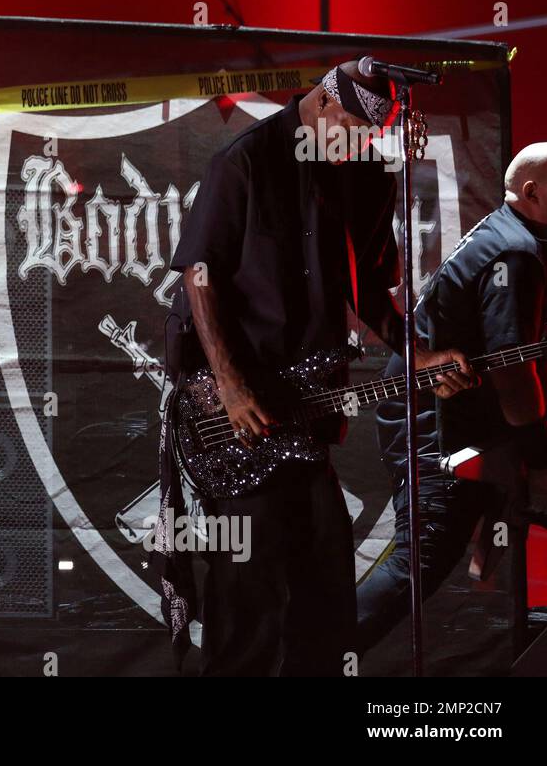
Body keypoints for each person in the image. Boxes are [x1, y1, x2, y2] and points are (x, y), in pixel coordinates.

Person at [158, 58, 475, 675]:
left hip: (303, 412)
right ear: (325, 104)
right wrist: (231, 385)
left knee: (327, 585)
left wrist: (419, 352)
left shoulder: (356, 172)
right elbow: (200, 276)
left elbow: (371, 286)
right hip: (235, 399)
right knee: (247, 594)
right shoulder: (245, 161)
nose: (358, 146)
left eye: (368, 138)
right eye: (353, 131)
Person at [359, 143, 547, 652]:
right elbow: (513, 372)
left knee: (423, 562)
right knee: (417, 563)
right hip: (439, 432)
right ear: (532, 192)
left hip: (453, 427)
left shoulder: (511, 235)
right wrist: (539, 462)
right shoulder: (515, 251)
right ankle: (313, 658)